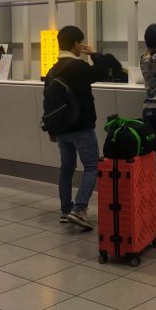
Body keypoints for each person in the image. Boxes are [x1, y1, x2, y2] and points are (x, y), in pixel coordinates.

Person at [45, 25, 109, 230]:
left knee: (67, 168)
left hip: (62, 128)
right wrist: (94, 53)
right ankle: (79, 209)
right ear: (76, 44)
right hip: (81, 126)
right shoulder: (78, 66)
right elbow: (102, 72)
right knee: (91, 166)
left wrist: (53, 129)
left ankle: (66, 210)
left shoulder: (52, 69)